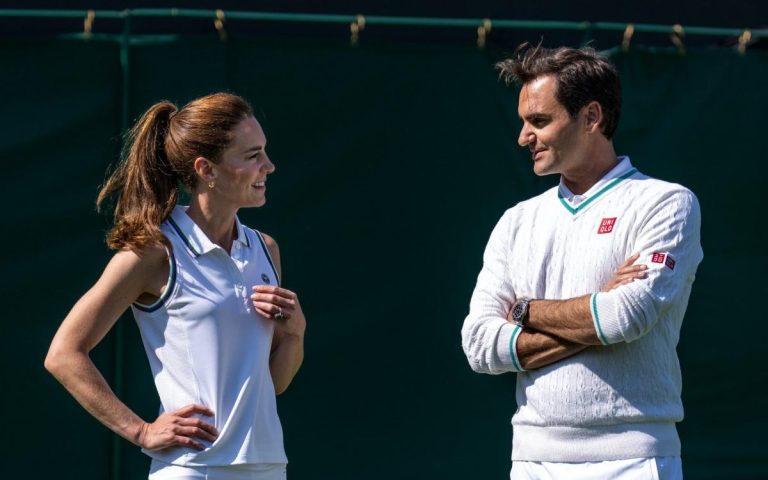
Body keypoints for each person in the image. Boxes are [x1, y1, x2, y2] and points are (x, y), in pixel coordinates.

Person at [461, 45, 703, 479]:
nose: (522, 137)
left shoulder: (667, 203)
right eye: (522, 122)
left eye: (539, 121)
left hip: (636, 460)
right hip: (532, 463)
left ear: (591, 117)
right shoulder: (516, 222)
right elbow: (480, 345)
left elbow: (624, 318)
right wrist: (596, 309)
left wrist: (524, 311)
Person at [45, 93, 306, 480]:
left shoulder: (266, 250)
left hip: (268, 467)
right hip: (191, 470)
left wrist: (295, 334)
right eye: (252, 156)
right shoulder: (153, 254)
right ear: (207, 170)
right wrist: (141, 431)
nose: (268, 166)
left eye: (264, 152)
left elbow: (275, 383)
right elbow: (64, 354)